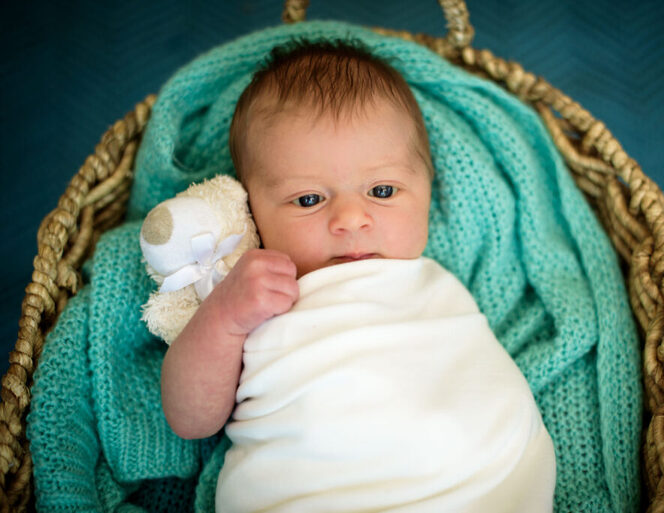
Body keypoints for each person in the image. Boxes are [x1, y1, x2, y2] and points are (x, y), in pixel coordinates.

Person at [160, 39, 556, 512]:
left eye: (383, 191)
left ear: (429, 191)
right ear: (252, 210)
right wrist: (224, 316)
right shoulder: (257, 298)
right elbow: (191, 420)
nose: (350, 219)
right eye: (309, 199)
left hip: (474, 484)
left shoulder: (436, 285)